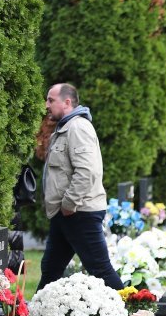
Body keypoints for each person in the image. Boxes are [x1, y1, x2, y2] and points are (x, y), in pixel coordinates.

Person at [38, 83, 123, 291]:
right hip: (66, 213)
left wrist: (69, 203)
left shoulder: (78, 127)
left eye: (51, 100)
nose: (46, 105)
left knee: (100, 270)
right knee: (51, 269)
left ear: (67, 102)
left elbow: (87, 171)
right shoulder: (65, 127)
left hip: (79, 212)